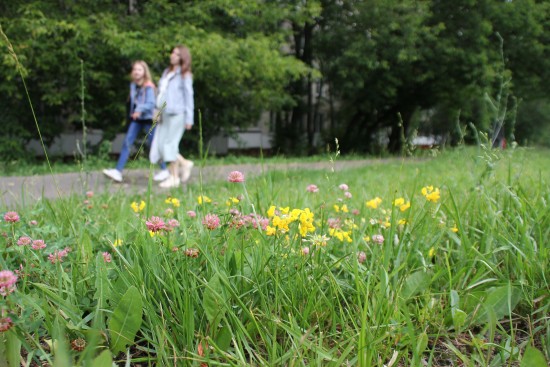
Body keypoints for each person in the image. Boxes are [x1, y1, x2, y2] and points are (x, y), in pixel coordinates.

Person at [103, 60, 169, 183]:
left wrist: (139, 110)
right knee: (127, 142)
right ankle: (118, 171)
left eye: (139, 70)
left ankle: (165, 170)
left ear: (144, 72)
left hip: (149, 119)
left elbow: (150, 103)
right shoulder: (133, 85)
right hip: (137, 119)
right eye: (135, 70)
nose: (136, 72)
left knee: (154, 145)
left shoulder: (148, 86)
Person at [150, 45, 194, 188]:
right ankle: (184, 163)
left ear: (183, 57)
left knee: (170, 145)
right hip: (164, 113)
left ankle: (174, 178)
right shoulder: (166, 72)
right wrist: (156, 111)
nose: (172, 55)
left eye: (176, 54)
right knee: (162, 145)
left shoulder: (184, 75)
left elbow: (189, 96)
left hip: (178, 113)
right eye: (172, 53)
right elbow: (161, 93)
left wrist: (189, 118)